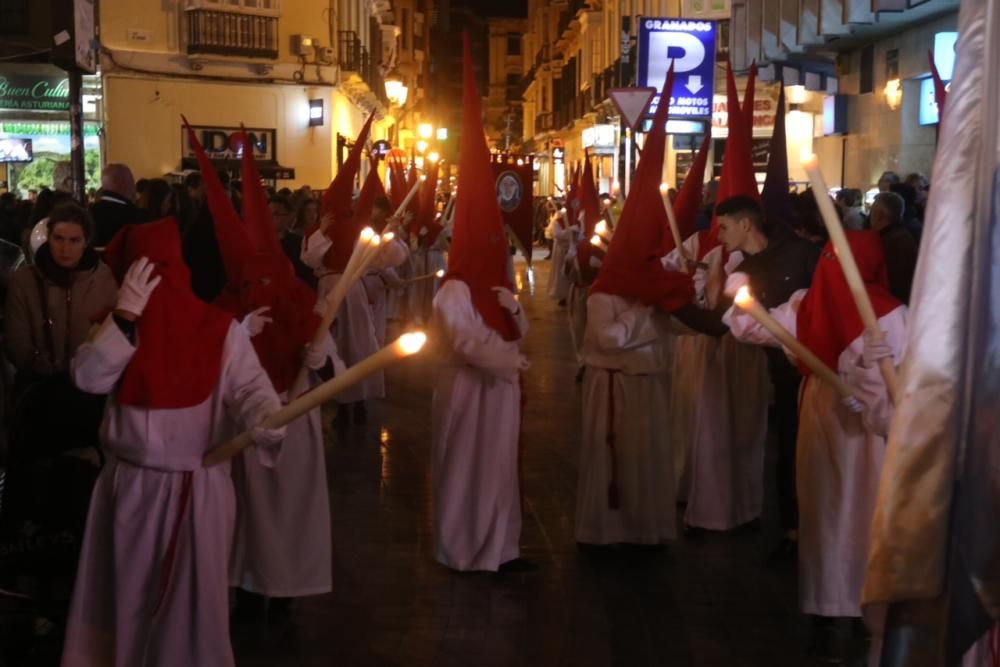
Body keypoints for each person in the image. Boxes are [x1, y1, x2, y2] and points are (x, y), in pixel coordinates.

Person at [60, 219, 286, 667]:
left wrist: (265, 414)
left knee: (193, 605)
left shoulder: (221, 330)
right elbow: (87, 377)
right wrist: (123, 317)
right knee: (127, 597)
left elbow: (250, 388)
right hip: (130, 487)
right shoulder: (119, 325)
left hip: (197, 485)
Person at [724, 231, 905, 662]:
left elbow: (756, 327)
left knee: (838, 514)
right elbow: (758, 326)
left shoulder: (840, 307)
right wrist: (740, 300)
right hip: (845, 422)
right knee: (838, 512)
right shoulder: (889, 314)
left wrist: (869, 381)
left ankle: (843, 616)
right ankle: (844, 614)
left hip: (840, 418)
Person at [575, 71, 693, 549]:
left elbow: (682, 327)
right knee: (614, 463)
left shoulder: (651, 282)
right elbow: (609, 339)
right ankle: (605, 536)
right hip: (615, 387)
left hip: (650, 386)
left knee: (647, 461)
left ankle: (646, 532)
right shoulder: (605, 291)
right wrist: (648, 308)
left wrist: (690, 296)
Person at [431, 34, 531, 573]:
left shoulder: (494, 283)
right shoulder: (451, 289)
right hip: (471, 392)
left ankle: (502, 546)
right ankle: (465, 549)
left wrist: (515, 314)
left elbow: (519, 333)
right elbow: (466, 342)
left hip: (501, 392)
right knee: (468, 468)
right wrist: (505, 362)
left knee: (499, 471)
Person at [675, 195, 821, 565]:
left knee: (818, 453)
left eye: (723, 227)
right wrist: (670, 301)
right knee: (788, 451)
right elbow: (716, 325)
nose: (719, 236)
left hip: (821, 369)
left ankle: (825, 534)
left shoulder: (804, 253)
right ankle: (794, 532)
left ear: (745, 225)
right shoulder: (745, 271)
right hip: (785, 375)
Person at [4, 203, 118, 456]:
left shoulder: (102, 279)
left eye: (74, 240)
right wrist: (35, 360)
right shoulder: (25, 281)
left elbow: (111, 332)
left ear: (86, 241)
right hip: (40, 392)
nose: (65, 248)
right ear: (49, 238)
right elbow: (15, 335)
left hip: (89, 394)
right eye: (59, 239)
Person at [868, 191, 917, 305]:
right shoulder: (902, 235)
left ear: (879, 214)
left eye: (872, 211)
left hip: (892, 304)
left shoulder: (890, 241)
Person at [89, 164, 154, 247]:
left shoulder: (87, 214)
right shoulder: (137, 216)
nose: (134, 185)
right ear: (122, 182)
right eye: (132, 179)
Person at [269, 195, 316, 289]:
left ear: (287, 217)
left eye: (276, 214)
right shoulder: (259, 243)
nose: (271, 218)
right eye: (268, 214)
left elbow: (307, 277)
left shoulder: (298, 244)